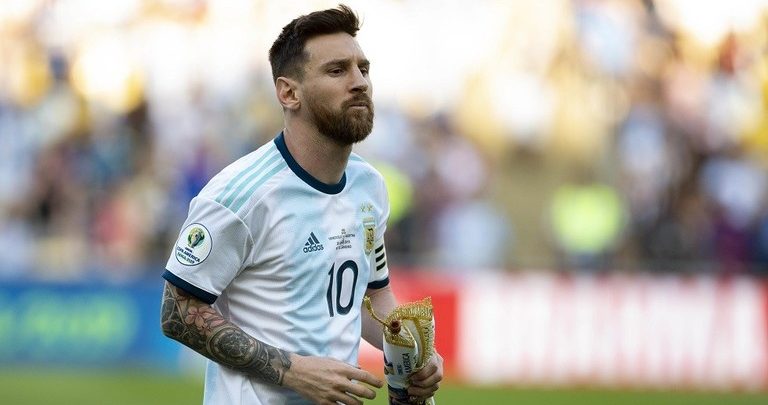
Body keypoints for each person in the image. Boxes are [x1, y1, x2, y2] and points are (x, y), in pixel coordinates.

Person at [160, 5, 443, 405]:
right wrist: (293, 371)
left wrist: (414, 354)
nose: (359, 82)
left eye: (363, 69)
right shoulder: (239, 195)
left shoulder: (370, 186)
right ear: (289, 93)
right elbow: (176, 312)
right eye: (337, 70)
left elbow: (371, 297)